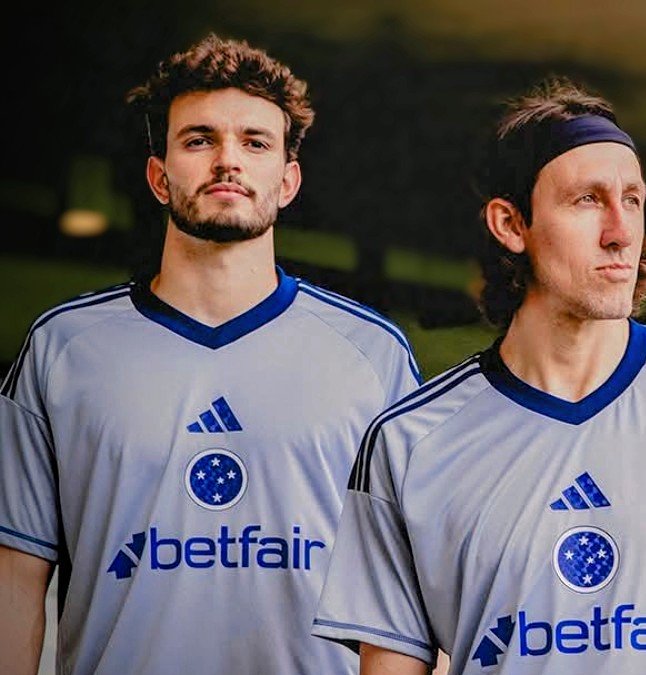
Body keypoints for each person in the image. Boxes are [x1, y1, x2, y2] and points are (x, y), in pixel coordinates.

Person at [311, 77, 646, 674]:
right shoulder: (409, 441)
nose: (621, 232)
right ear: (510, 224)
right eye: (587, 200)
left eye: (632, 199)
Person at [0, 35, 422, 675]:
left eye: (255, 143)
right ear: (158, 176)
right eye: (199, 140)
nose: (228, 160)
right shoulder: (61, 349)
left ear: (288, 181)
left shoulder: (373, 355)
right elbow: (14, 580)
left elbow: (418, 596)